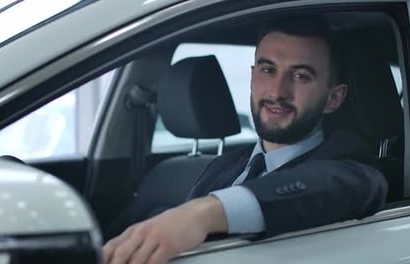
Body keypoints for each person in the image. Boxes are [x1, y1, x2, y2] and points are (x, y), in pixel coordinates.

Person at [103, 16, 388, 264]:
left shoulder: (352, 167)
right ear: (252, 78)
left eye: (300, 76)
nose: (277, 92)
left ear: (333, 98)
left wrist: (201, 214)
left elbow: (344, 186)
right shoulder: (224, 165)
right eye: (267, 70)